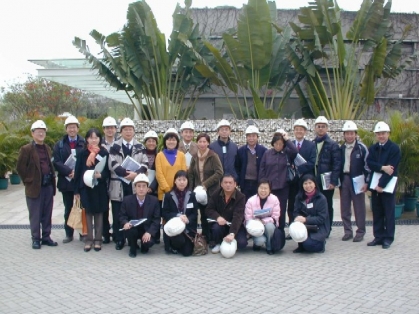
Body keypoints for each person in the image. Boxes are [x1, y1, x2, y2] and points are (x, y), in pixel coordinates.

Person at [108, 117, 148, 251]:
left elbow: (145, 163)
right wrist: (126, 174)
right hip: (118, 185)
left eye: (130, 129)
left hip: (134, 185)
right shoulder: (115, 146)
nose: (128, 132)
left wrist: (136, 175)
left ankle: (133, 239)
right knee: (118, 212)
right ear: (121, 131)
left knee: (134, 213)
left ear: (134, 131)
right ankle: (119, 239)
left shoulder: (140, 146)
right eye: (125, 129)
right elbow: (112, 163)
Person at [17, 120, 57, 249]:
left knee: (47, 213)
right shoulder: (26, 149)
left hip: (48, 185)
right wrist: (28, 180)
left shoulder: (47, 148)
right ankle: (36, 238)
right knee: (35, 214)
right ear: (32, 133)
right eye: (38, 131)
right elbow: (20, 168)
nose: (41, 133)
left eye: (43, 131)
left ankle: (46, 236)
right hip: (35, 187)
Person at [74, 128, 110, 252]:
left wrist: (102, 175)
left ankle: (98, 239)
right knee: (88, 213)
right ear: (87, 139)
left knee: (99, 213)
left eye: (96, 138)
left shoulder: (104, 153)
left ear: (100, 139)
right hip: (86, 188)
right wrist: (76, 191)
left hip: (99, 188)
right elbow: (77, 172)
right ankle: (89, 239)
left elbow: (108, 171)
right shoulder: (82, 153)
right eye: (91, 137)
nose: (93, 140)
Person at [366, 121, 401, 249]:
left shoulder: (394, 148)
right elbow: (370, 163)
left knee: (389, 212)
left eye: (383, 133)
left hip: (387, 184)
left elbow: (391, 169)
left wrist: (381, 185)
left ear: (388, 134)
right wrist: (382, 167)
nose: (381, 136)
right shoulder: (373, 148)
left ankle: (388, 238)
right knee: (377, 211)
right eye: (378, 134)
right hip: (375, 184)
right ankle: (378, 236)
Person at [52, 115, 85, 244]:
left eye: (74, 127)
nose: (72, 130)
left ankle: (83, 232)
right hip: (66, 181)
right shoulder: (59, 145)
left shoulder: (83, 143)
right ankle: (68, 233)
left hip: (80, 181)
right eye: (69, 127)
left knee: (81, 208)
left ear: (77, 128)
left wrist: (77, 172)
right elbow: (57, 161)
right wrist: (69, 171)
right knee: (68, 208)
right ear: (66, 129)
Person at [155, 128, 187, 251]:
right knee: (166, 217)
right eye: (168, 139)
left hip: (180, 192)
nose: (171, 142)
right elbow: (159, 174)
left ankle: (178, 240)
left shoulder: (181, 155)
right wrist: (168, 189)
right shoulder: (160, 155)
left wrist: (179, 188)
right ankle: (167, 244)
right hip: (165, 193)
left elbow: (183, 172)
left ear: (177, 141)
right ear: (165, 141)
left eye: (173, 139)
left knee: (178, 215)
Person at [188, 133, 223, 244]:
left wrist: (206, 184)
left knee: (208, 215)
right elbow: (191, 174)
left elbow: (219, 172)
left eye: (204, 142)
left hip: (211, 191)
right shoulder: (194, 157)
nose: (202, 144)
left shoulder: (213, 156)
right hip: (197, 192)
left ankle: (212, 239)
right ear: (197, 143)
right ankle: (200, 238)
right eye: (200, 141)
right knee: (198, 214)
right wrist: (191, 190)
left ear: (208, 143)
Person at [259, 131, 297, 229]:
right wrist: (263, 184)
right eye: (276, 144)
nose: (278, 146)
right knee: (268, 209)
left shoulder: (287, 153)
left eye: (281, 144)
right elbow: (262, 169)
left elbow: (295, 151)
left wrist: (287, 139)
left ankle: (280, 230)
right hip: (270, 188)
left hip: (283, 187)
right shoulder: (267, 153)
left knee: (281, 210)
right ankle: (269, 229)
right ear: (273, 144)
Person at [339, 121, 370, 242]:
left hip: (357, 179)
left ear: (355, 134)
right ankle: (347, 231)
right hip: (344, 179)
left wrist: (366, 182)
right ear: (344, 135)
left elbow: (367, 166)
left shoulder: (361, 148)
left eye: (351, 133)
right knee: (344, 207)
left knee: (359, 207)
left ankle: (360, 231)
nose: (349, 136)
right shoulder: (341, 148)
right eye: (347, 133)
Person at [286, 119, 316, 239]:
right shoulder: (289, 144)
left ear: (305, 131)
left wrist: (298, 169)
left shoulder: (311, 145)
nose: (299, 131)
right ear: (294, 131)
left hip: (305, 181)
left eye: (301, 129)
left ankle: (306, 229)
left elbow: (312, 162)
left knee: (306, 205)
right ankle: (292, 229)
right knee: (292, 206)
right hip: (292, 182)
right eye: (296, 129)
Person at [120, 174, 161, 258]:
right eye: (139, 186)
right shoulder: (127, 200)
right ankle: (133, 247)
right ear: (135, 187)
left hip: (146, 229)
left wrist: (149, 232)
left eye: (144, 186)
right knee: (131, 231)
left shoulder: (154, 201)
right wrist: (125, 223)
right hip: (133, 229)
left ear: (147, 188)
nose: (141, 189)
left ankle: (144, 245)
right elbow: (122, 216)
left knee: (147, 244)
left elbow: (156, 220)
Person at [313, 116, 341, 236]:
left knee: (327, 204)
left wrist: (333, 181)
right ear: (315, 128)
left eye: (323, 126)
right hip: (314, 181)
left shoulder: (332, 144)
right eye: (318, 126)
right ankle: (318, 227)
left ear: (327, 128)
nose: (320, 129)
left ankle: (327, 228)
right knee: (315, 205)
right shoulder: (312, 143)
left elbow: (337, 164)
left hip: (327, 181)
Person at [205, 174, 248, 254]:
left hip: (235, 225)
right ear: (221, 184)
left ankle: (230, 240)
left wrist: (232, 233)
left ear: (235, 184)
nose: (228, 185)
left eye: (230, 183)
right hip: (221, 224)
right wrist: (217, 217)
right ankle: (218, 243)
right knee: (216, 228)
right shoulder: (216, 194)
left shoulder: (241, 197)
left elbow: (238, 216)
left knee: (242, 244)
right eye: (225, 182)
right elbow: (209, 209)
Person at [162, 170, 199, 256]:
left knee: (187, 253)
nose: (182, 182)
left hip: (188, 229)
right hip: (173, 228)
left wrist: (188, 219)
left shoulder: (192, 195)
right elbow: (165, 213)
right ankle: (172, 245)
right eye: (179, 180)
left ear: (187, 181)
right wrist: (178, 216)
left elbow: (195, 213)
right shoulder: (168, 195)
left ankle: (181, 246)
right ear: (175, 181)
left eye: (184, 180)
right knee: (179, 241)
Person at [292, 174, 330, 253]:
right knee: (294, 229)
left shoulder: (321, 198)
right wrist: (297, 218)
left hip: (319, 228)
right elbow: (295, 212)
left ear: (315, 184)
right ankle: (302, 244)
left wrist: (306, 219)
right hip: (305, 226)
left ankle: (321, 244)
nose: (308, 186)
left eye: (310, 183)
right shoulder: (298, 197)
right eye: (305, 183)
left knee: (308, 245)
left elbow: (321, 218)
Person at [244, 179, 280, 255]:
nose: (263, 190)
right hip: (255, 226)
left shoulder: (275, 199)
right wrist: (256, 224)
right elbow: (248, 218)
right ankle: (257, 244)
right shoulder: (250, 201)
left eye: (266, 188)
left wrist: (263, 221)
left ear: (270, 190)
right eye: (261, 188)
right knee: (260, 241)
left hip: (268, 225)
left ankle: (269, 247)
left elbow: (275, 216)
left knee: (269, 226)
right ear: (257, 188)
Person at [235, 125, 267, 200]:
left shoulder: (263, 151)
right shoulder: (241, 151)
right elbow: (237, 167)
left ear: (257, 137)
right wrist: (239, 180)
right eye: (249, 136)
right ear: (246, 137)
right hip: (245, 183)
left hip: (258, 183)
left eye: (253, 136)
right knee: (245, 204)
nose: (251, 138)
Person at [101, 116, 118, 244]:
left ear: (116, 129)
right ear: (104, 130)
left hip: (116, 180)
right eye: (107, 128)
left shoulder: (120, 144)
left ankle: (118, 233)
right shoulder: (99, 144)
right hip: (102, 180)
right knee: (103, 208)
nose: (110, 130)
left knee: (117, 209)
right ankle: (105, 233)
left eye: (112, 127)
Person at [143, 130, 160, 242]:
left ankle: (156, 236)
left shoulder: (159, 155)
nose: (151, 143)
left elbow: (160, 173)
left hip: (155, 187)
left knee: (155, 212)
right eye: (149, 141)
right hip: (142, 187)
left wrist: (152, 187)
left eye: (153, 141)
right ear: (145, 142)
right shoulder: (140, 154)